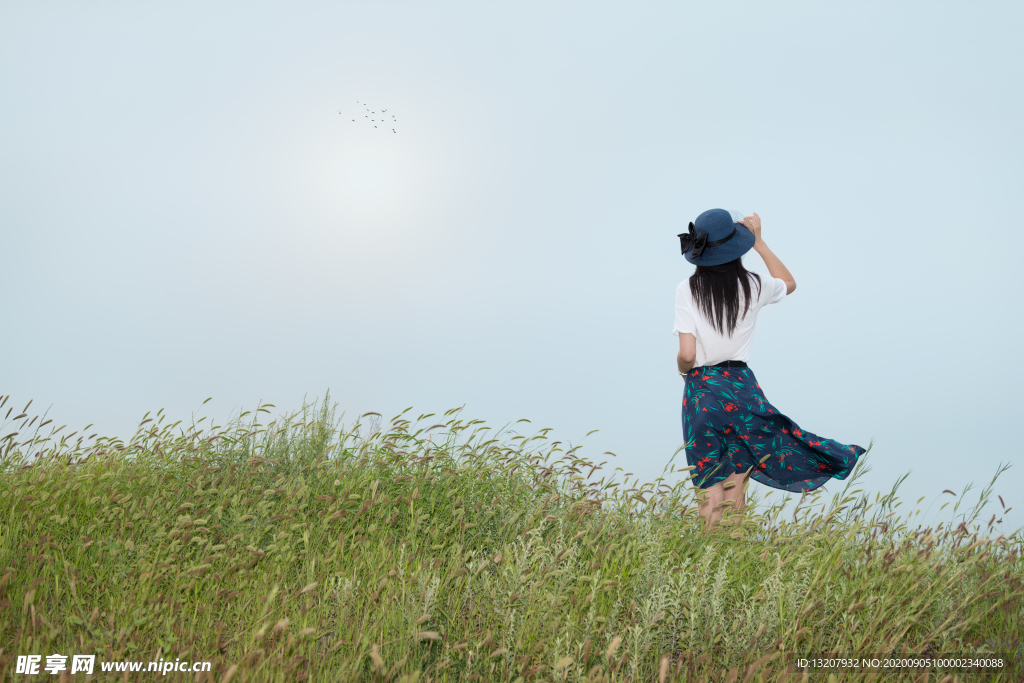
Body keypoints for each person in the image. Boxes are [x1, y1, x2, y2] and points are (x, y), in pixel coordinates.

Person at [672, 209, 865, 529]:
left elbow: (687, 354)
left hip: (701, 392)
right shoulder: (752, 285)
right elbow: (789, 283)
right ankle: (734, 564)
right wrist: (759, 243)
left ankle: (704, 570)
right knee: (736, 490)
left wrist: (682, 371)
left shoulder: (686, 290)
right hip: (742, 390)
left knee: (708, 490)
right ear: (735, 250)